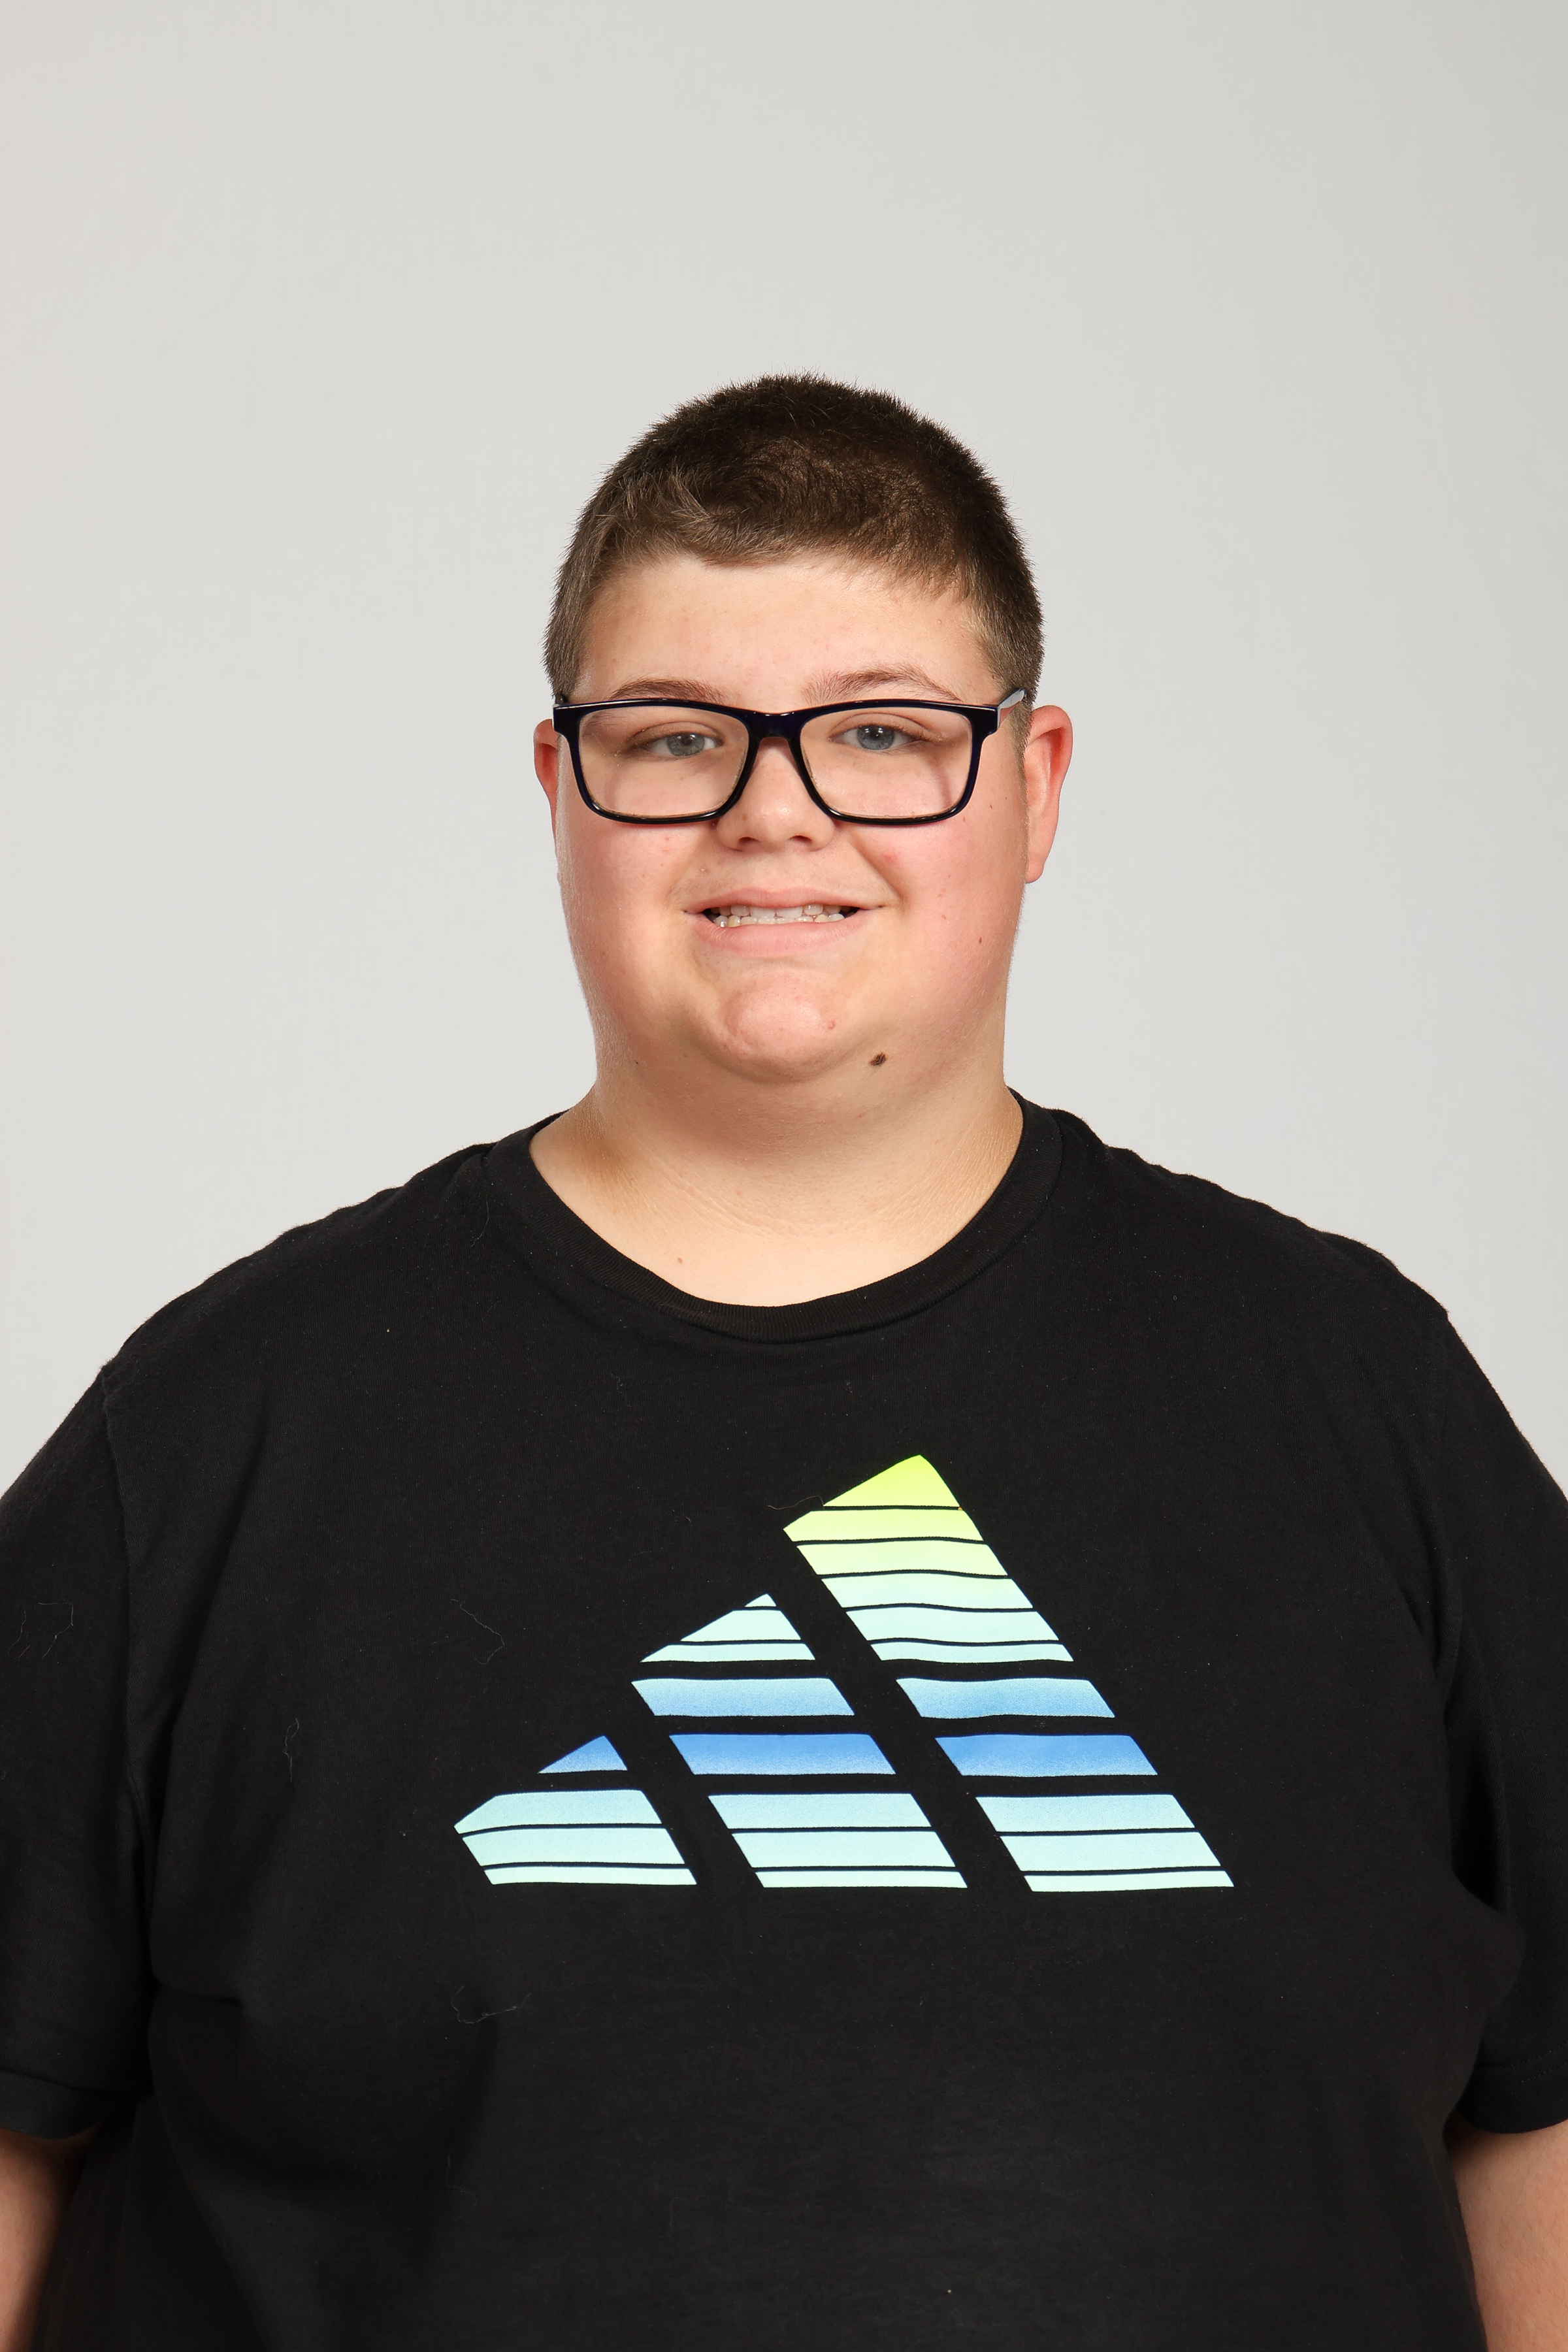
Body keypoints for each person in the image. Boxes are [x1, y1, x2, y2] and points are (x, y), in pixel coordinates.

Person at [1, 376, 1565, 2351]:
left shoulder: (1356, 1399)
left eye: (883, 733)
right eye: (676, 738)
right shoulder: (223, 1432)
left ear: (1036, 784)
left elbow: (1542, 2141)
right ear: (560, 790)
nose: (777, 810)